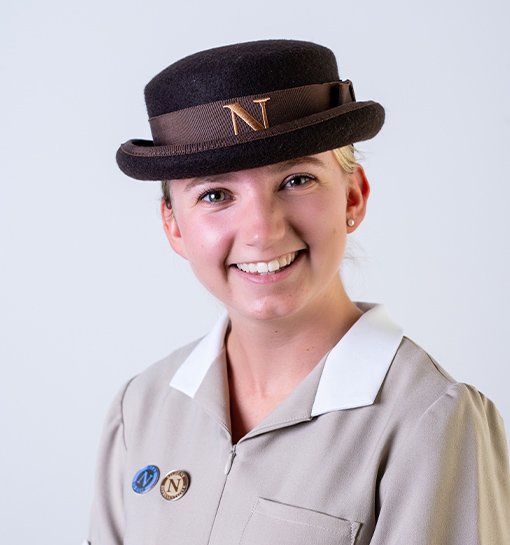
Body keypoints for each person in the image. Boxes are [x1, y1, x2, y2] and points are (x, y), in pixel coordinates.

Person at [86, 40, 510, 545]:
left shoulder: (429, 420)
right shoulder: (142, 407)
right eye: (215, 194)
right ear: (173, 226)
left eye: (297, 179)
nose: (262, 231)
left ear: (353, 197)